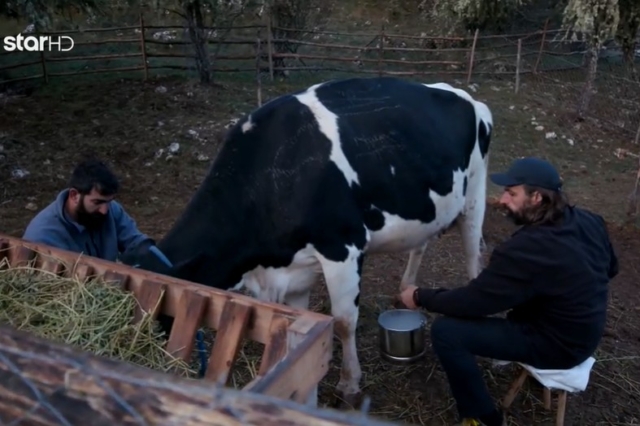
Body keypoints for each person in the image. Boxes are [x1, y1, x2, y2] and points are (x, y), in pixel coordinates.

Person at [398, 157, 619, 426]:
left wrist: (420, 296)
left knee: (447, 333)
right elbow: (611, 269)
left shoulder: (526, 249)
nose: (502, 200)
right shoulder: (589, 221)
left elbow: (473, 303)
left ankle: (483, 417)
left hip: (558, 346)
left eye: (512, 193)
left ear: (536, 197)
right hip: (586, 333)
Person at [22, 158, 155, 262]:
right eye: (97, 202)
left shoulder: (110, 209)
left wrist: (151, 257)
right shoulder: (42, 236)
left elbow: (136, 243)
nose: (104, 210)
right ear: (74, 195)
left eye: (109, 201)